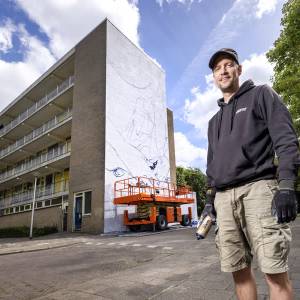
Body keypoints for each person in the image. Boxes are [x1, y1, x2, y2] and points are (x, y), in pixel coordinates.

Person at [201, 48, 299, 300]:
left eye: (228, 65)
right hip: (223, 199)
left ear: (239, 69)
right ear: (213, 76)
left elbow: (286, 140)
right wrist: (209, 201)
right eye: (217, 68)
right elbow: (212, 165)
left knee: (274, 272)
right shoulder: (214, 122)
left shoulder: (261, 94)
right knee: (239, 272)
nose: (222, 71)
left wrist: (286, 185)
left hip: (259, 191)